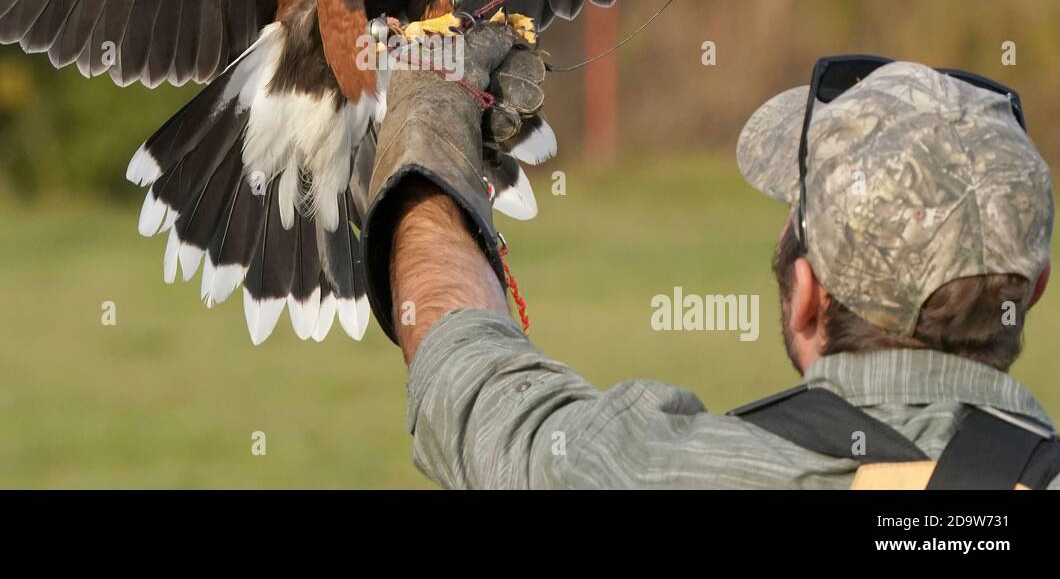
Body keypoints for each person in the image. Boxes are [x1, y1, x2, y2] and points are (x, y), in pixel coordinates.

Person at [361, 27, 1059, 488]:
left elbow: (471, 383)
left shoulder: (673, 475)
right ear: (1032, 290)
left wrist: (429, 126)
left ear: (809, 296)